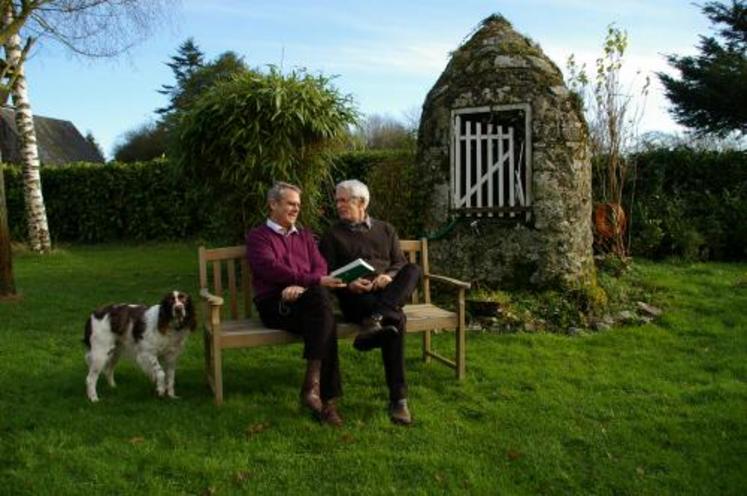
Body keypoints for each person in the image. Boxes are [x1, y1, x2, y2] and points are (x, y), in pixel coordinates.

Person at [319, 179, 421, 425]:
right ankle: (399, 400)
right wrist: (349, 283)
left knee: (414, 269)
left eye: (345, 200)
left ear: (362, 202)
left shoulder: (386, 229)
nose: (339, 205)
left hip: (385, 292)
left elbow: (399, 263)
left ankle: (376, 320)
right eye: (338, 201)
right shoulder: (332, 235)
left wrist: (388, 276)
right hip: (356, 297)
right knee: (396, 320)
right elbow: (326, 271)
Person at [245, 181, 346, 426]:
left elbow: (320, 266)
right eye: (290, 204)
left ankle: (316, 394)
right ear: (273, 204)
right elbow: (271, 269)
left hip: (307, 301)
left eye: (298, 205)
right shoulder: (258, 237)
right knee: (325, 316)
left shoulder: (304, 235)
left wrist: (303, 287)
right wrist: (311, 282)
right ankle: (322, 396)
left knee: (322, 311)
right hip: (275, 304)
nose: (296, 209)